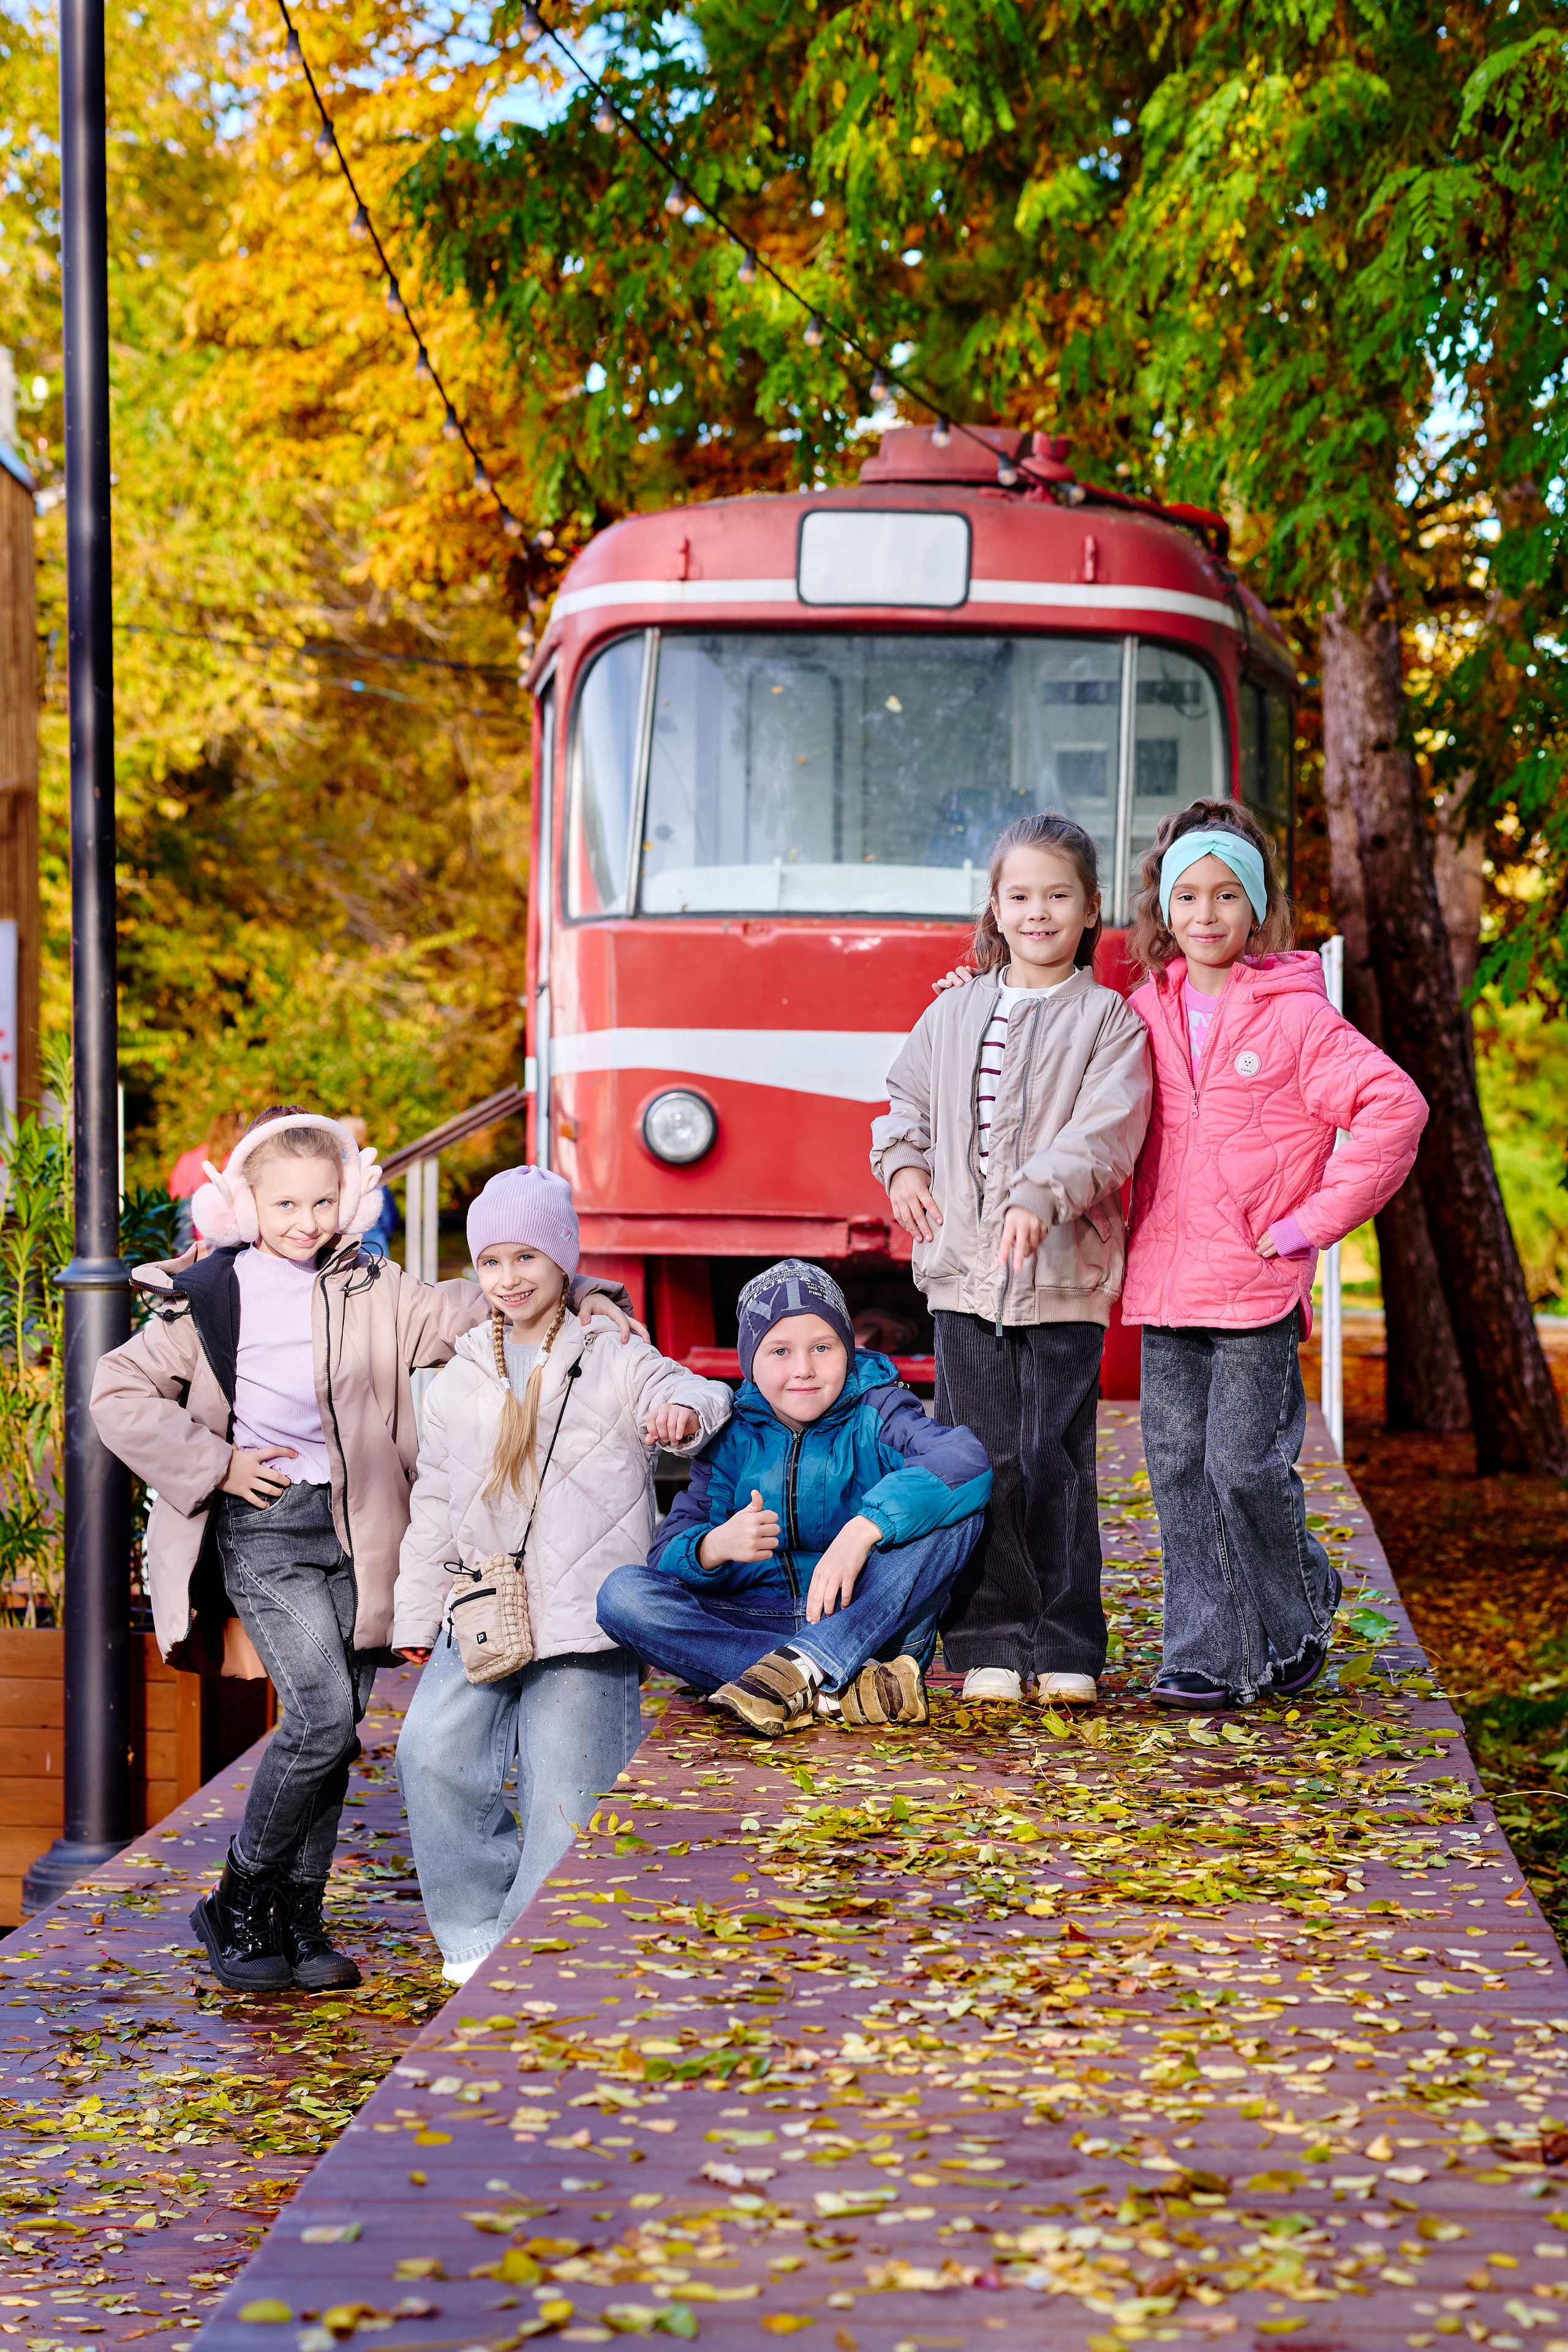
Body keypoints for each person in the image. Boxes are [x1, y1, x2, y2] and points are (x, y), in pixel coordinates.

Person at [89, 1108, 638, 1998]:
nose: (303, 1221)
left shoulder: (371, 1287)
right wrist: (217, 1464)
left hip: (360, 1532)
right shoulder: (212, 1295)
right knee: (320, 1718)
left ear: (346, 1200)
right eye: (284, 1205)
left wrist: (588, 1293)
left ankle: (298, 1921)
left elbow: (484, 1297)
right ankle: (238, 1897)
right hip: (267, 1526)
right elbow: (117, 1389)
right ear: (247, 1206)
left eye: (320, 1201)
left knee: (338, 1726)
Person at [390, 1167, 731, 1982]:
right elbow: (434, 1498)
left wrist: (683, 1412)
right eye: (493, 1261)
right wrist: (413, 1613)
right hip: (483, 1605)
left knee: (566, 1796)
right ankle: (474, 1929)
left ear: (563, 1262)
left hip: (584, 1617)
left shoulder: (612, 1350)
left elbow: (696, 1392)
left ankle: (530, 1954)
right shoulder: (460, 1371)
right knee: (429, 1751)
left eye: (527, 1259)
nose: (509, 1279)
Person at [1121, 799, 1427, 1708]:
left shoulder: (1296, 1019)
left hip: (1255, 1284)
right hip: (1165, 1282)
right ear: (1164, 912)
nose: (1207, 914)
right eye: (1188, 896)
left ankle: (1294, 1612)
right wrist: (974, 990)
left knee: (1242, 1466)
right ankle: (1207, 1653)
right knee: (1177, 1469)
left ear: (1255, 911)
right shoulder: (1141, 1011)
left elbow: (1395, 1108)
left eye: (1226, 895)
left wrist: (1308, 1224)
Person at [870, 812, 1152, 1709]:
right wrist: (904, 1165)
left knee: (1054, 1460)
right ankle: (989, 1637)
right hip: (963, 1277)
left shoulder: (1109, 1020)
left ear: (1089, 909)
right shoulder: (953, 1010)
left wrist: (1039, 1195)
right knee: (981, 1458)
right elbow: (902, 1101)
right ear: (995, 907)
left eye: (1057, 896)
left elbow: (1108, 1134)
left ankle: (1066, 1640)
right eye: (1020, 896)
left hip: (1062, 1277)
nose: (1038, 912)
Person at [595, 1259, 992, 1738]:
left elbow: (963, 1460)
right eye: (780, 1351)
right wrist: (714, 1548)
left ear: (846, 1352)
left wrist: (862, 1532)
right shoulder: (732, 1437)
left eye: (822, 1348)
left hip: (868, 1621)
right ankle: (832, 1688)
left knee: (954, 1512)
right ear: (751, 1364)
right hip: (754, 1624)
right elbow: (665, 1561)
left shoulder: (878, 1410)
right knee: (622, 1595)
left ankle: (800, 1672)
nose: (803, 1369)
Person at [168, 1109, 244, 1250]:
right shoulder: (237, 1162)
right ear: (234, 1131)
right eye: (241, 1127)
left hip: (194, 1247)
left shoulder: (188, 1160)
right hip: (229, 1245)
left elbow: (176, 1202)